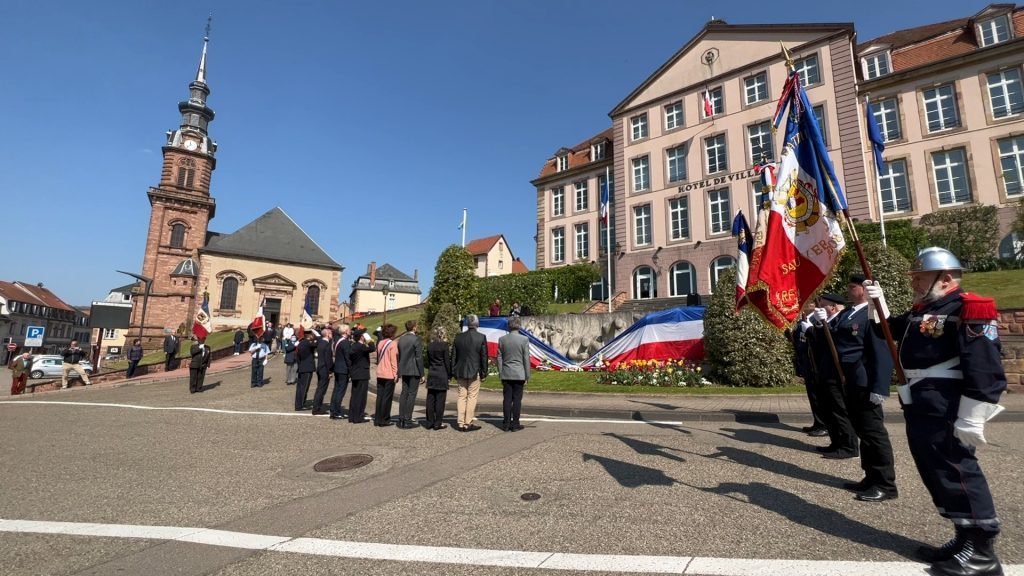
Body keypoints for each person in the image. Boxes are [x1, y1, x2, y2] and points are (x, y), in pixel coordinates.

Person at [866, 248, 1007, 576]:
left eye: (920, 276)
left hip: (947, 405)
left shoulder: (968, 307)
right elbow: (886, 331)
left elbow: (985, 366)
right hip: (924, 404)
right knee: (938, 472)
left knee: (958, 471)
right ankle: (963, 538)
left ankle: (982, 551)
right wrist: (878, 302)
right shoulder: (925, 309)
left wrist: (972, 414)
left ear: (945, 279)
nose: (914, 281)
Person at [833, 273, 897, 503]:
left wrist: (880, 385)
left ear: (863, 289)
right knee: (863, 431)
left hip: (865, 380)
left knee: (873, 433)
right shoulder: (849, 313)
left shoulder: (872, 314)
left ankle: (885, 483)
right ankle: (870, 476)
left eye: (852, 287)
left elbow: (881, 350)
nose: (848, 291)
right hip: (851, 380)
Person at [808, 294, 858, 459]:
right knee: (830, 410)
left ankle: (849, 446)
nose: (819, 309)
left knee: (840, 411)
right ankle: (836, 442)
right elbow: (817, 342)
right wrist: (818, 325)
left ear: (834, 307)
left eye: (823, 306)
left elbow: (838, 341)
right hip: (826, 372)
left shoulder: (842, 319)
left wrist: (823, 326)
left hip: (838, 374)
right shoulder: (828, 321)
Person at [789, 303, 827, 437]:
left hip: (815, 363)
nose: (806, 305)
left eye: (809, 302)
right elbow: (797, 341)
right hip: (806, 362)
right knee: (813, 395)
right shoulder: (801, 321)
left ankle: (824, 425)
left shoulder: (816, 320)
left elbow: (819, 341)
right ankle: (817, 422)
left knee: (819, 395)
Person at [452, 314, 488, 431]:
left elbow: (454, 356)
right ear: (477, 324)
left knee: (461, 396)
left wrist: (453, 371)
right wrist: (484, 373)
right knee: (472, 397)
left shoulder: (458, 337)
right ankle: (468, 422)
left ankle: (460, 422)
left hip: (460, 370)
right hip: (474, 370)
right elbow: (484, 357)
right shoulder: (481, 337)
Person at [497, 315, 530, 431]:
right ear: (519, 326)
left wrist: (501, 373)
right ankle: (515, 424)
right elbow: (526, 358)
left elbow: (499, 358)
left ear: (509, 326)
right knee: (517, 400)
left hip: (506, 372)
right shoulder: (524, 340)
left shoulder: (502, 339)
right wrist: (527, 375)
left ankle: (506, 424)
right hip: (519, 373)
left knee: (507, 399)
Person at [396, 320, 424, 429]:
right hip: (414, 370)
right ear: (413, 327)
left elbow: (399, 355)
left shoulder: (401, 339)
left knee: (404, 393)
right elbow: (419, 357)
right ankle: (407, 419)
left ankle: (401, 417)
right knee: (412, 395)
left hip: (404, 369)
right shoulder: (416, 339)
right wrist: (422, 373)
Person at [424, 326, 452, 430]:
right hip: (442, 373)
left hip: (432, 372)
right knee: (440, 399)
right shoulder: (444, 345)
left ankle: (429, 421)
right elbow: (446, 362)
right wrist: (449, 375)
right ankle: (438, 422)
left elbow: (428, 361)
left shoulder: (430, 345)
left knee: (430, 399)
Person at [373, 324, 399, 426]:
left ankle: (378, 418)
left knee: (379, 396)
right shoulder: (393, 344)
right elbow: (394, 361)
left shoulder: (380, 343)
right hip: (389, 374)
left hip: (380, 372)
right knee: (387, 398)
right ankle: (385, 419)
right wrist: (396, 373)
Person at [348, 329, 374, 423]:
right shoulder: (360, 346)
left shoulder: (354, 346)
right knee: (361, 396)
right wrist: (369, 339)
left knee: (354, 395)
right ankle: (358, 417)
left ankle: (352, 416)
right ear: (361, 337)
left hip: (355, 373)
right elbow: (372, 348)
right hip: (362, 374)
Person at [329, 324, 352, 420]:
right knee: (340, 391)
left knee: (336, 390)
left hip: (337, 367)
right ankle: (336, 411)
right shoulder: (345, 343)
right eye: (349, 330)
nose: (350, 331)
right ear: (346, 331)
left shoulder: (337, 341)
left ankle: (333, 409)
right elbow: (348, 357)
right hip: (343, 369)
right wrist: (351, 370)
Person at [311, 327, 334, 415]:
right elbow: (328, 360)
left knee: (319, 388)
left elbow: (318, 336)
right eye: (331, 333)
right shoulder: (326, 344)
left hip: (320, 367)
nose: (332, 335)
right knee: (321, 389)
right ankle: (316, 408)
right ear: (327, 334)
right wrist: (330, 371)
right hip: (324, 369)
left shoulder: (321, 342)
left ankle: (317, 406)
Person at [295, 331, 316, 410]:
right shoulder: (307, 343)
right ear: (309, 336)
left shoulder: (301, 343)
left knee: (300, 387)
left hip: (302, 367)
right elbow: (319, 341)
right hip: (307, 368)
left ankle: (299, 404)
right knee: (304, 388)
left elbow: (297, 357)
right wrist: (315, 336)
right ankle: (300, 405)